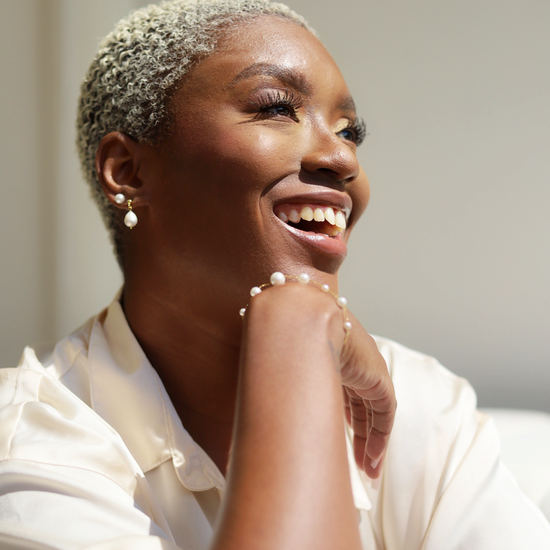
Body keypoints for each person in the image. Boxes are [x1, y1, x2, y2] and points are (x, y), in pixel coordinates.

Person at [0, 1, 548, 549]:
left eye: (351, 130)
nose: (343, 158)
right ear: (128, 171)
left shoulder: (421, 408)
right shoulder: (29, 443)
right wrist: (296, 328)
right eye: (277, 108)